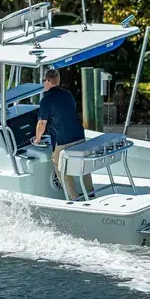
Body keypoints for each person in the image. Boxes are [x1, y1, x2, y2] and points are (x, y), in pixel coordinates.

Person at [33, 68, 94, 200]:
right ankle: (91, 193)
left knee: (60, 165)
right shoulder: (68, 94)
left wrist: (37, 139)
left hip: (62, 140)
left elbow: (41, 124)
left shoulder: (46, 100)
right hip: (79, 136)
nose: (43, 83)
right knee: (82, 164)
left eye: (44, 80)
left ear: (48, 81)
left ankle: (73, 197)